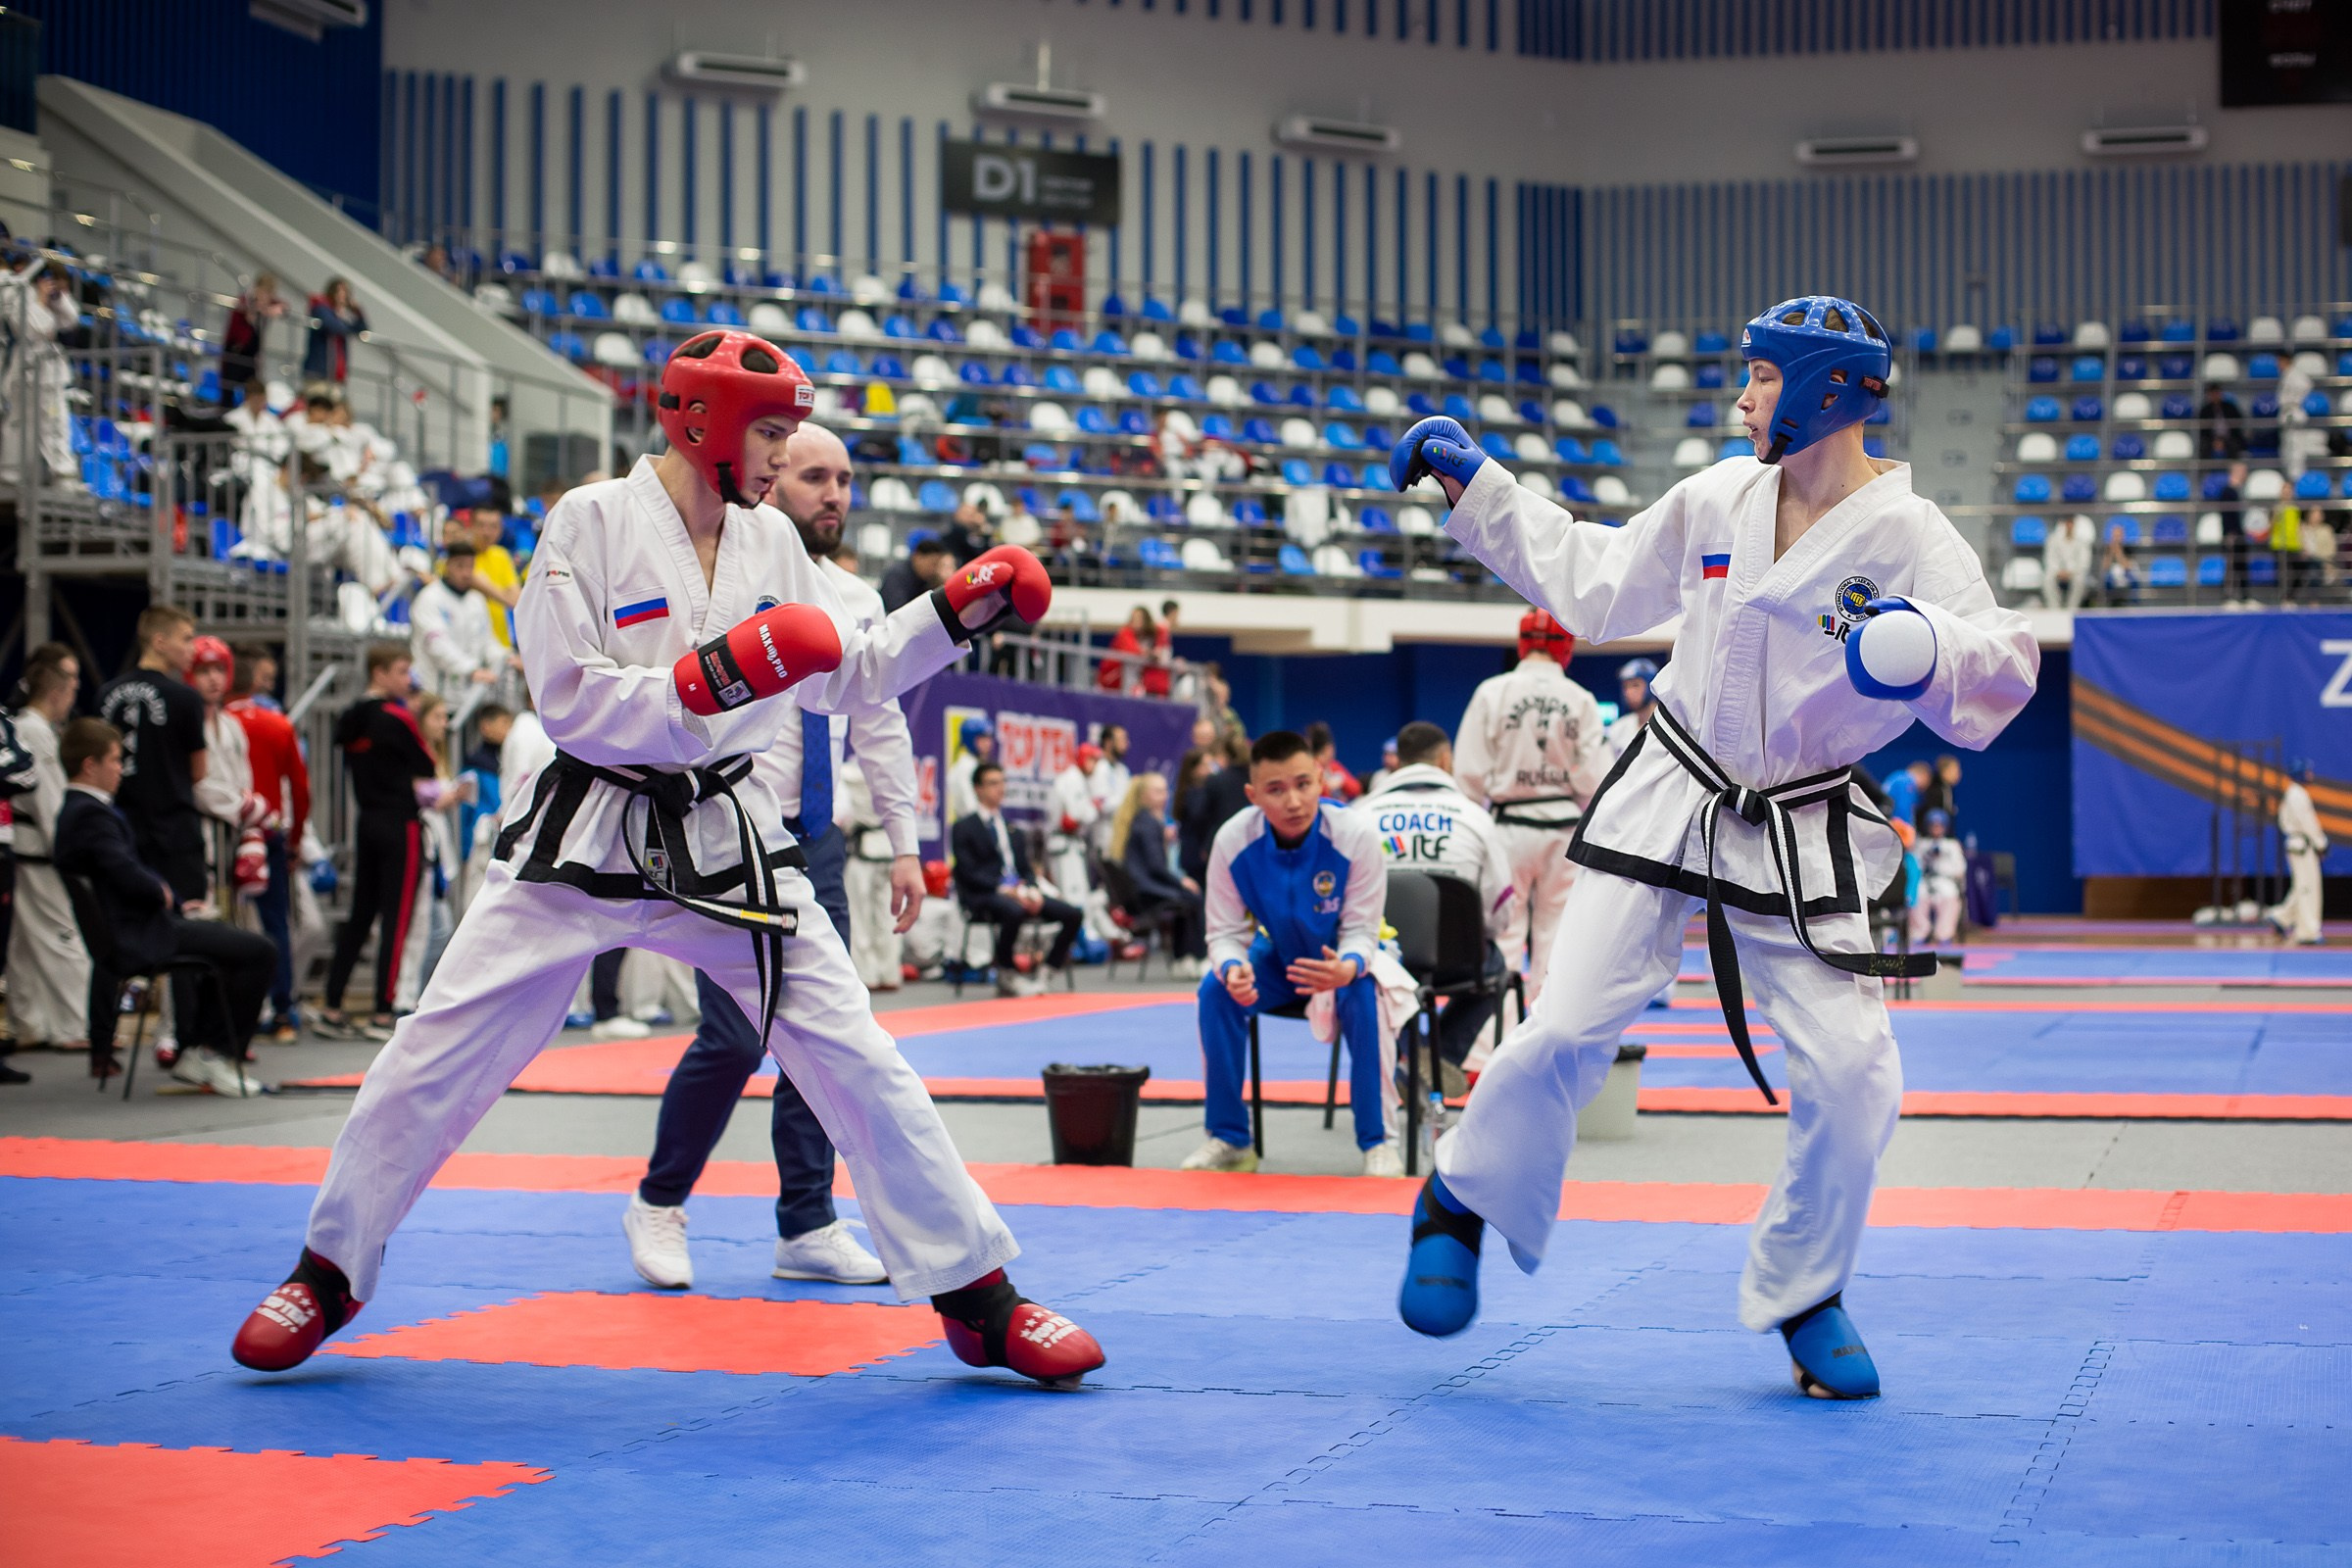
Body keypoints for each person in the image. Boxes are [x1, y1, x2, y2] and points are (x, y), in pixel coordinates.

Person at [231, 327, 1103, 1390]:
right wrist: (706, 683)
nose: (784, 457)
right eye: (774, 433)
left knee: (855, 1054)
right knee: (437, 1047)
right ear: (707, 423)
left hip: (726, 836)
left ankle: (978, 1297)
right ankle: (329, 1269)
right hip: (585, 824)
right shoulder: (589, 521)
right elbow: (566, 691)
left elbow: (849, 671)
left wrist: (957, 613)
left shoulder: (771, 543)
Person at [1387, 294, 2037, 1400]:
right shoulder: (1717, 497)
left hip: (1800, 825)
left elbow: (2003, 670)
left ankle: (1807, 1286)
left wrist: (1925, 645)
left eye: (1762, 378)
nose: (1742, 398)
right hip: (1671, 786)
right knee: (1566, 1024)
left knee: (1856, 1070)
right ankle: (1459, 1197)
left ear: (1825, 389)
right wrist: (1480, 492)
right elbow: (1595, 581)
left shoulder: (1914, 540)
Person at [624, 422, 928, 1293]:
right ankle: (658, 1199)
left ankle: (807, 1221)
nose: (834, 493)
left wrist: (904, 845)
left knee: (825, 1037)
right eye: (813, 476)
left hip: (816, 840)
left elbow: (879, 719)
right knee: (733, 1033)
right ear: (764, 476)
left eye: (844, 479)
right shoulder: (716, 581)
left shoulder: (858, 597)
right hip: (724, 830)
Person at [1186, 731, 1396, 1175]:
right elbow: (1223, 931)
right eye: (1275, 790)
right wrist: (1232, 967)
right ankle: (1229, 1138)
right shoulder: (1232, 840)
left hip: (1345, 961)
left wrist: (1348, 965)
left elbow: (1362, 929)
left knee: (1363, 996)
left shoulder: (1355, 836)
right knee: (1215, 991)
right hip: (1279, 960)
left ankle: (1378, 1142)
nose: (1293, 801)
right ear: (1253, 794)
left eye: (1303, 784)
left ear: (1321, 780)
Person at [54, 718, 277, 1094]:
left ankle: (200, 1048)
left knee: (223, 945)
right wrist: (163, 894)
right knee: (259, 951)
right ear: (90, 765)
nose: (120, 769)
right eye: (113, 760)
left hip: (143, 926)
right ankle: (214, 1051)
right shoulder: (89, 814)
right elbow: (122, 871)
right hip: (141, 934)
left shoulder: (78, 811)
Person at [1453, 610, 1607, 1005]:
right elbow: (1596, 778)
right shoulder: (1580, 699)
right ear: (1566, 647)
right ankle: (1543, 1038)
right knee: (1556, 935)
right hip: (1564, 830)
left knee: (1503, 935)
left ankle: (1491, 1046)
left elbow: (1468, 774)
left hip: (1507, 829)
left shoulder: (1493, 692)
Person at [1352, 720, 1515, 1084]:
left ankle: (1412, 1052)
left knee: (1378, 975)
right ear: (1445, 759)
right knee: (1495, 964)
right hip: (1457, 962)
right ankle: (1437, 1056)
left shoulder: (1359, 816)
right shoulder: (1475, 817)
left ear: (1398, 761)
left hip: (1378, 963)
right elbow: (1500, 912)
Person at [313, 645, 438, 1041]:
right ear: (379, 673)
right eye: (402, 671)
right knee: (396, 919)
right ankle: (384, 1012)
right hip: (400, 823)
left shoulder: (351, 717)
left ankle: (332, 1004)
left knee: (360, 916)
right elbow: (426, 764)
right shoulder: (397, 716)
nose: (407, 681)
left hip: (366, 821)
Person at [97, 606, 211, 912]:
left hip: (123, 832)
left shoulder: (106, 694)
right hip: (175, 835)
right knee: (187, 928)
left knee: (130, 924)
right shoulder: (185, 698)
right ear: (160, 642)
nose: (193, 649)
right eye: (186, 640)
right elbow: (199, 771)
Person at [6, 651, 89, 1053]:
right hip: (38, 851)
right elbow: (49, 803)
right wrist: (71, 850)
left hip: (20, 850)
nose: (76, 691)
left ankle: (30, 1022)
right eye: (73, 683)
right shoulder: (34, 731)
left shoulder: (25, 726)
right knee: (63, 935)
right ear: (57, 687)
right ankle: (73, 1025)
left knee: (21, 944)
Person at [229, 644, 311, 1039]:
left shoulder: (216, 724)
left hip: (226, 831)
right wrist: (294, 840)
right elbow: (300, 788)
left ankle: (228, 1015)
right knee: (274, 922)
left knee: (225, 922)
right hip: (267, 832)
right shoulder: (276, 725)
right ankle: (282, 1011)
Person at [952, 761, 1083, 997]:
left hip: (1020, 892)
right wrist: (1005, 889)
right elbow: (968, 872)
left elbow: (1026, 869)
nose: (1000, 789)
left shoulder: (1012, 828)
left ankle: (1047, 971)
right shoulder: (964, 827)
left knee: (1073, 913)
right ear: (978, 789)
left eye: (1003, 782)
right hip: (985, 895)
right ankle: (1007, 971)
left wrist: (1031, 888)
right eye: (993, 783)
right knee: (1013, 911)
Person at [0, 255, 81, 489]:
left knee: (53, 423)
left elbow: (70, 319)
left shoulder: (33, 292)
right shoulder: (16, 291)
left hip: (45, 373)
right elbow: (38, 327)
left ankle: (60, 473)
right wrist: (42, 299)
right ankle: (16, 474)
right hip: (26, 370)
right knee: (23, 425)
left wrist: (58, 295)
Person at [1111, 771, 1205, 976]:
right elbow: (1156, 867)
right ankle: (1198, 958)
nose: (1164, 796)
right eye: (1158, 791)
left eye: (1165, 791)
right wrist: (1182, 882)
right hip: (1145, 892)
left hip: (1143, 887)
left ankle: (1182, 959)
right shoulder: (1147, 823)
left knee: (1186, 900)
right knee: (1194, 897)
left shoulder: (1147, 821)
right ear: (1144, 795)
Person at [410, 542, 508, 710]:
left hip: (468, 696)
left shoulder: (476, 600)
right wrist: (471, 670)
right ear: (447, 565)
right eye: (460, 566)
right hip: (435, 696)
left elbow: (487, 641)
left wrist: (505, 657)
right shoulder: (429, 598)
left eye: (470, 567)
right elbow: (437, 645)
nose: (465, 573)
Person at [2270, 759, 2328, 945]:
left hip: (2299, 844)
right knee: (2307, 889)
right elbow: (2307, 823)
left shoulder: (2293, 794)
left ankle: (2281, 917)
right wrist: (2320, 843)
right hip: (2303, 846)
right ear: (2300, 773)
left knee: (2302, 886)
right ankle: (2307, 932)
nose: (2311, 775)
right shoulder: (2297, 795)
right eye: (2307, 771)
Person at [1047, 740, 1104, 909]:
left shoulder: (1080, 779)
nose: (1094, 765)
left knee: (1080, 895)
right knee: (1072, 898)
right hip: (1064, 845)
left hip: (1072, 844)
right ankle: (1074, 935)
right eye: (1091, 760)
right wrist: (1093, 808)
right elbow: (1070, 821)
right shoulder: (1072, 779)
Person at [220, 273, 285, 407]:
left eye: (268, 293)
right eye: (263, 292)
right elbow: (243, 313)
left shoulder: (268, 305)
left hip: (252, 355)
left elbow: (284, 306)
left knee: (252, 390)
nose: (265, 297)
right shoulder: (246, 301)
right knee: (228, 390)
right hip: (236, 351)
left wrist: (275, 309)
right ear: (257, 289)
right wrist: (254, 310)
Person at [1908, 809, 1967, 946]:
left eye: (1939, 825)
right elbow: (1914, 865)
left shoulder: (1952, 845)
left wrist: (1941, 866)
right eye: (1933, 825)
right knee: (1917, 895)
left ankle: (1944, 934)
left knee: (1949, 895)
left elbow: (1960, 868)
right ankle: (1920, 932)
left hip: (1944, 879)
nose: (1936, 828)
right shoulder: (1921, 844)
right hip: (1925, 880)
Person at [302, 276, 368, 384]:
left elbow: (362, 330)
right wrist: (348, 326)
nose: (342, 296)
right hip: (318, 371)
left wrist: (358, 311)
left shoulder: (345, 314)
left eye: (345, 292)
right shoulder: (321, 308)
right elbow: (333, 327)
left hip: (336, 373)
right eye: (339, 292)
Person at [880, 535, 954, 612]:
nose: (934, 570)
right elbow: (897, 609)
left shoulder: (928, 580)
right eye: (933, 564)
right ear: (917, 557)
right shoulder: (896, 575)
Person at [1604, 658, 1659, 759]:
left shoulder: (1668, 724)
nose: (1629, 692)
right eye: (1625, 687)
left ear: (1651, 685)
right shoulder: (1618, 728)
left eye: (1635, 685)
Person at [945, 714, 995, 825]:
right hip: (972, 827)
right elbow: (970, 807)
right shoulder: (965, 767)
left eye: (989, 738)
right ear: (970, 739)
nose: (988, 743)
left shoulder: (976, 764)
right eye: (982, 738)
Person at [2041, 513, 2095, 611]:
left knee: (2080, 580)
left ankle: (2072, 608)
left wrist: (2071, 572)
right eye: (2067, 524)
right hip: (2057, 572)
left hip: (2074, 572)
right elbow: (2049, 558)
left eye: (2071, 524)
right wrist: (2058, 571)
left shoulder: (2081, 542)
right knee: (2047, 579)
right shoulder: (2053, 540)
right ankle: (2054, 608)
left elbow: (2084, 562)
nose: (2069, 527)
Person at [1099, 606, 1153, 695]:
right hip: (1111, 678)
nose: (1136, 621)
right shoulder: (1125, 632)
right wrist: (1146, 653)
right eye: (1134, 618)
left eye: (1139, 618)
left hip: (1129, 681)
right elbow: (1132, 651)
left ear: (1145, 621)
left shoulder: (1146, 638)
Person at [1304, 721, 1363, 803]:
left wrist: (1342, 780)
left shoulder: (1333, 766)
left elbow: (1356, 789)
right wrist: (1328, 787)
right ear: (1328, 748)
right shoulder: (1310, 768)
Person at [1881, 760, 1929, 831]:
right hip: (1895, 825)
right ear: (1924, 776)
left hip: (1885, 819)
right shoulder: (1908, 782)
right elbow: (1903, 807)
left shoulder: (1898, 776)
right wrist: (1907, 828)